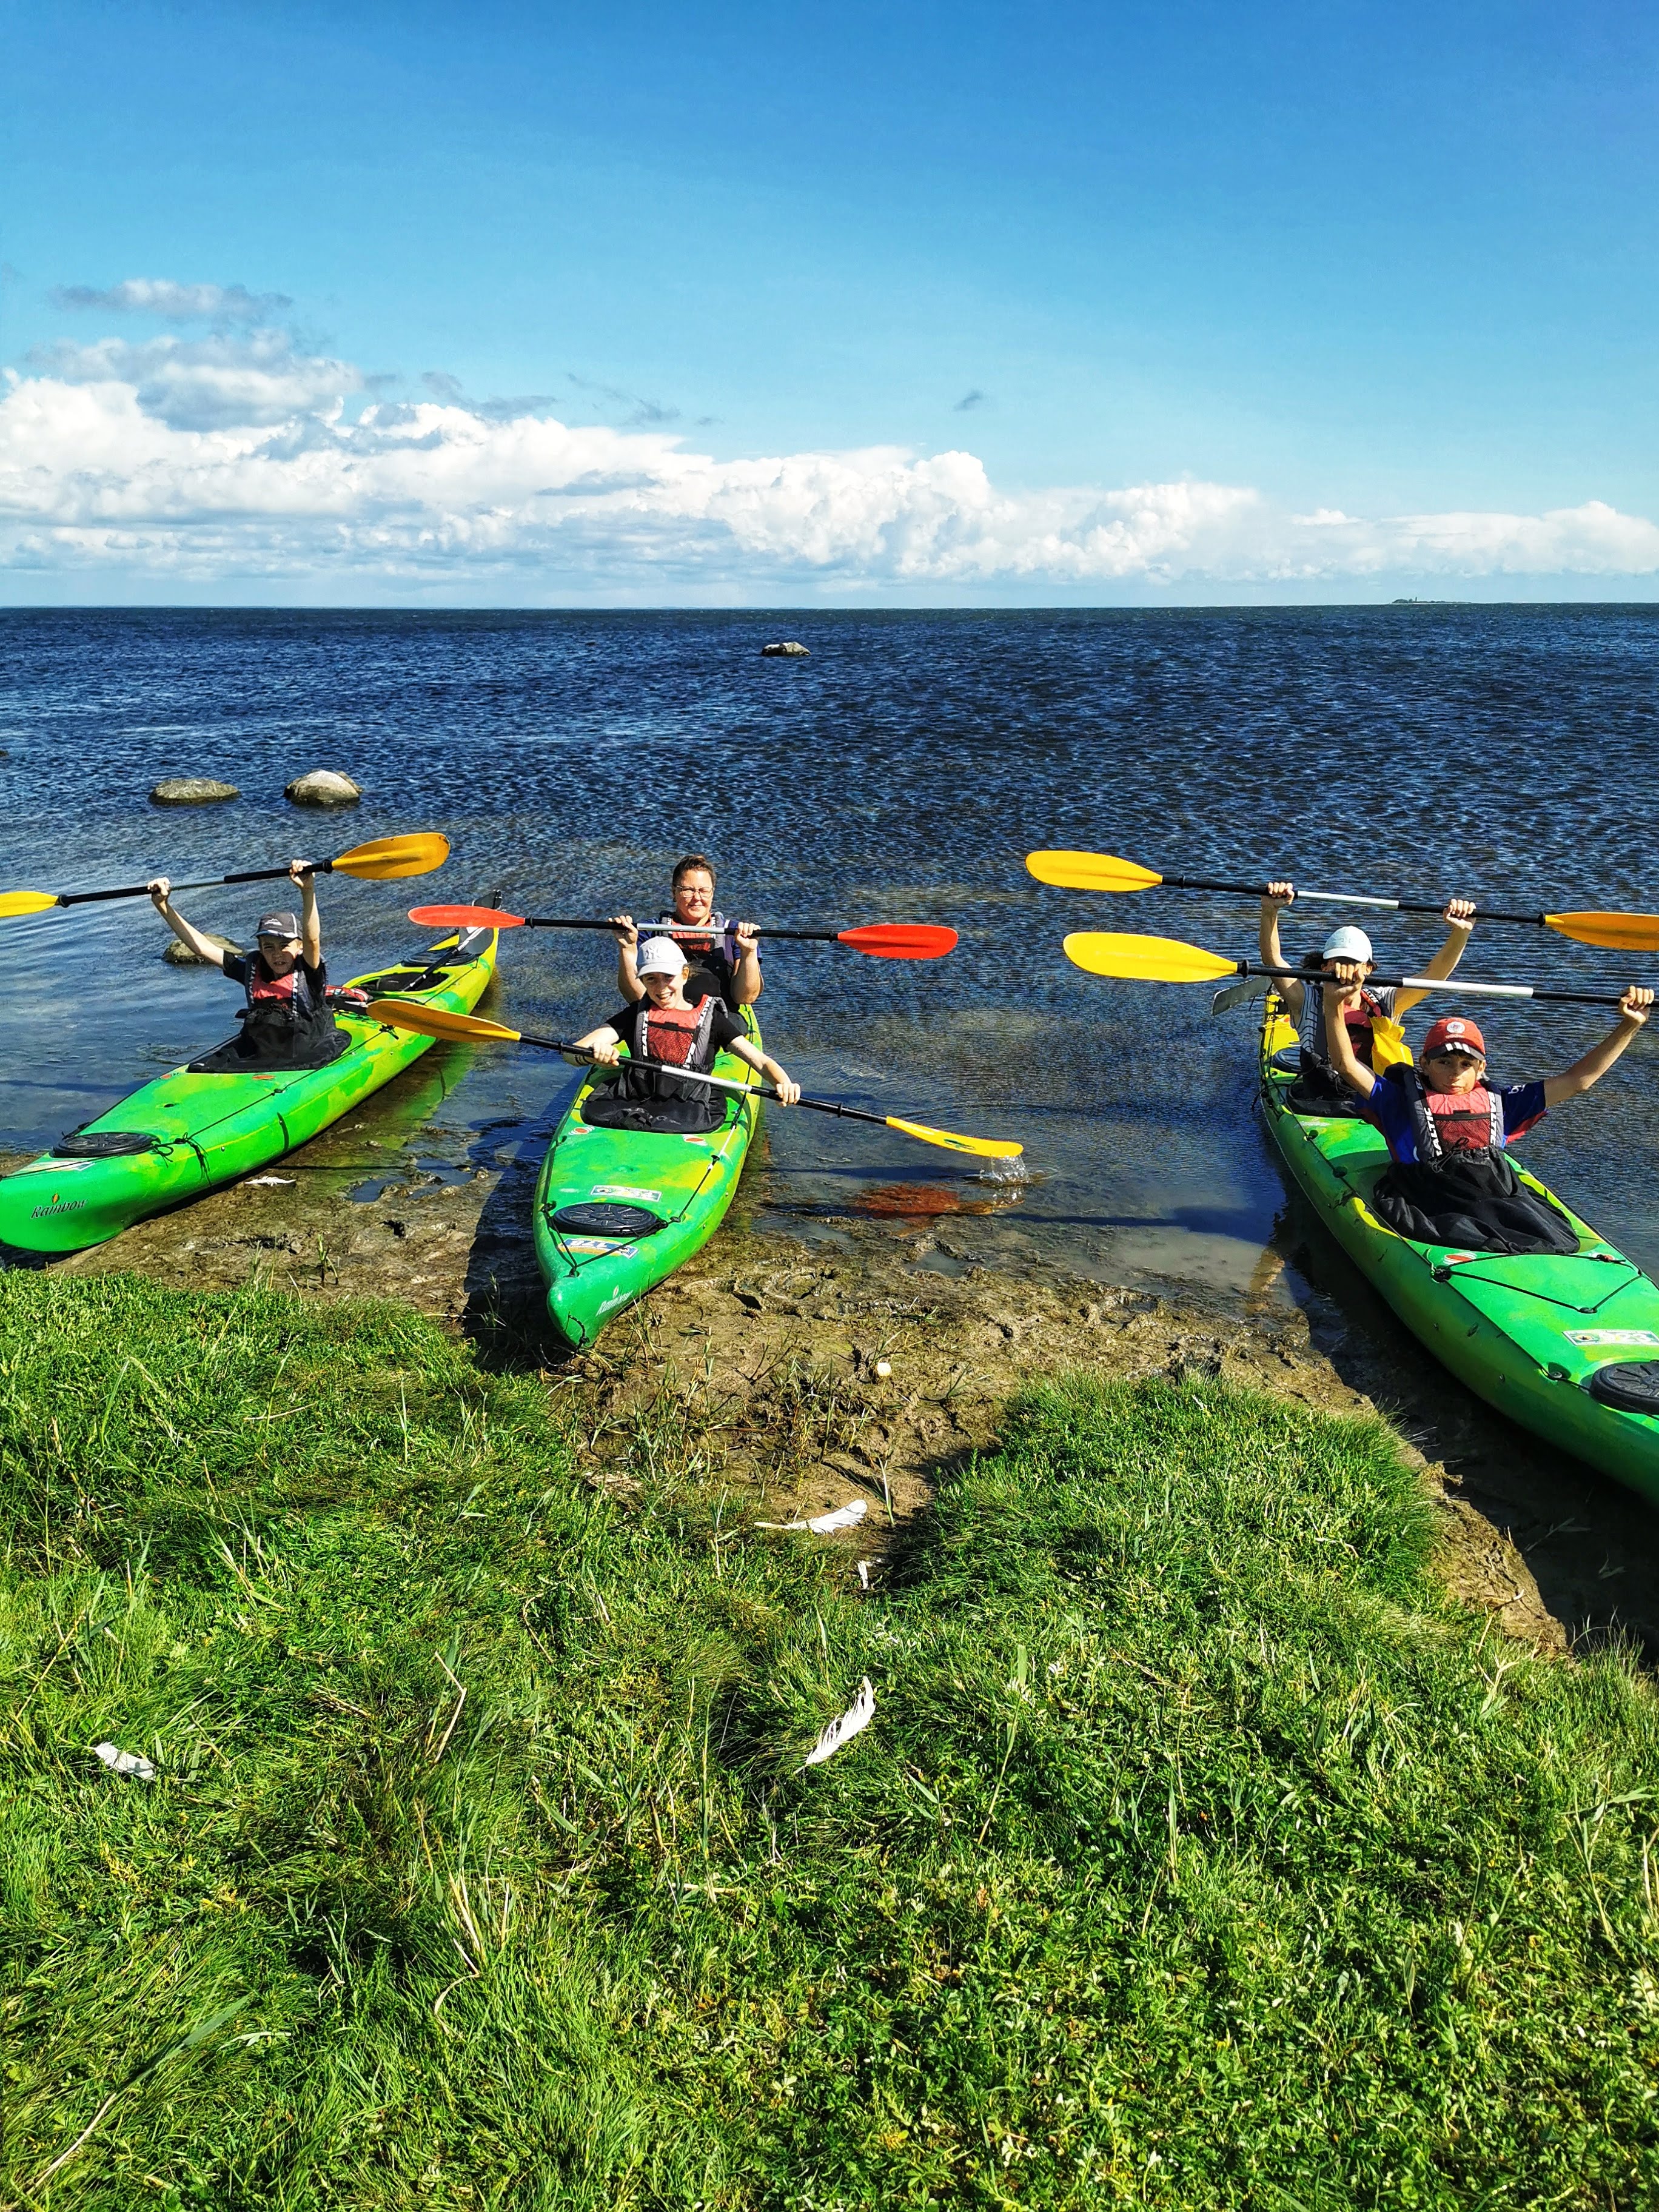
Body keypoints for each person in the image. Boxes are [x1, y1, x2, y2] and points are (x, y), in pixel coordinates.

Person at [1322, 977, 1654, 1254]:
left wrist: (1628, 1026)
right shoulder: (1397, 1101)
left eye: (1466, 1065)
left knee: (1551, 1235)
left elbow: (1578, 1081)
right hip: (1427, 1200)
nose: (1455, 1073)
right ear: (1423, 1064)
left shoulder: (1503, 1102)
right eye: (1444, 1062)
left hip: (1492, 1196)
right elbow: (1346, 1065)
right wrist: (1334, 1004)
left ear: (1481, 1069)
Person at [1259, 882, 1477, 1111]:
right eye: (1339, 962)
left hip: (1377, 1102)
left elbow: (1433, 975)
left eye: (1355, 963)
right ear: (1324, 967)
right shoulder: (1306, 1000)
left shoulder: (1386, 1001)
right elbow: (1273, 961)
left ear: (1369, 970)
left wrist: (1460, 933)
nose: (1347, 969)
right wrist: (1270, 911)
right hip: (1321, 1104)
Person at [568, 936, 800, 1135]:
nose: (661, 988)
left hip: (689, 1108)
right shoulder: (635, 1015)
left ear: (684, 974)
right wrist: (593, 1054)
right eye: (651, 979)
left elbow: (759, 1060)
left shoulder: (713, 1020)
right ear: (643, 981)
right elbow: (570, 1054)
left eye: (668, 977)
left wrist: (784, 1083)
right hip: (630, 1100)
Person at [149, 860, 349, 1071]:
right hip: (260, 1050)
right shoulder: (251, 969)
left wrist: (308, 892)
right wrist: (163, 907)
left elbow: (313, 940)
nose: (277, 953)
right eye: (268, 947)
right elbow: (201, 948)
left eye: (284, 945)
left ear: (299, 946)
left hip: (307, 1048)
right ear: (260, 949)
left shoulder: (308, 969)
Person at [611, 854, 762, 1013]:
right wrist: (627, 948)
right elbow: (635, 997)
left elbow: (746, 998)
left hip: (721, 1022)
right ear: (674, 892)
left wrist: (749, 952)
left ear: (713, 893)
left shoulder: (736, 933)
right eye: (688, 890)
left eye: (704, 891)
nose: (697, 898)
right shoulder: (648, 932)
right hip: (662, 1019)